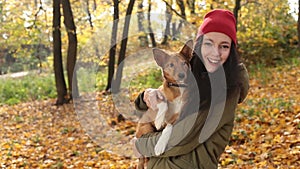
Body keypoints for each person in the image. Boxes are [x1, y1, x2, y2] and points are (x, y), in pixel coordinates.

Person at [133, 9, 249, 169]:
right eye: (209, 43)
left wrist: (140, 146)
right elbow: (147, 109)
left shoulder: (226, 91)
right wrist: (146, 95)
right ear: (199, 45)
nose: (215, 53)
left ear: (231, 51)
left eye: (224, 46)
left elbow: (180, 139)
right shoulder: (188, 74)